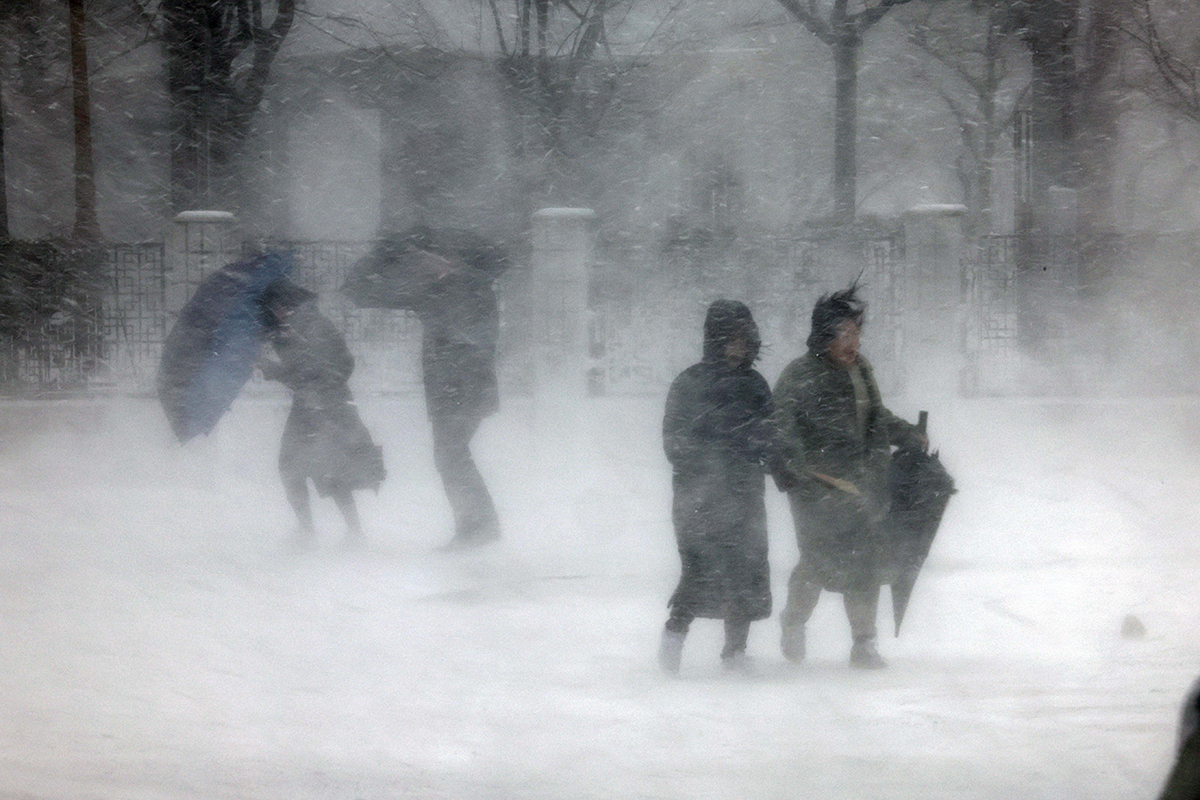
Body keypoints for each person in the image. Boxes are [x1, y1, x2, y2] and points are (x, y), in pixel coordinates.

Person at [772, 285, 925, 669]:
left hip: (863, 484)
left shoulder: (861, 369)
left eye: (857, 333)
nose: (854, 342)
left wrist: (907, 433)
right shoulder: (799, 376)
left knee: (865, 562)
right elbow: (781, 432)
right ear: (824, 336)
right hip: (817, 489)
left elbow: (875, 418)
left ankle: (864, 644)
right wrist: (801, 474)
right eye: (846, 334)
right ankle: (793, 621)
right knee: (817, 563)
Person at [345, 226, 505, 550]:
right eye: (417, 260)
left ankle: (478, 528)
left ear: (444, 259)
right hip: (450, 389)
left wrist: (456, 359)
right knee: (451, 455)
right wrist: (383, 253)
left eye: (425, 258)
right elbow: (361, 292)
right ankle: (479, 526)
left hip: (463, 388)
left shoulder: (470, 288)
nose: (419, 265)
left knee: (451, 454)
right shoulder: (437, 289)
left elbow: (475, 340)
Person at [657, 300, 783, 675]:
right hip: (700, 500)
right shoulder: (689, 383)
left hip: (745, 497)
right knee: (700, 570)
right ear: (714, 339)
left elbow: (772, 433)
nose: (739, 346)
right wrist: (713, 456)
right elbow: (673, 441)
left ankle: (736, 651)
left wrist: (776, 459)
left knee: (745, 571)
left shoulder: (755, 385)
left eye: (745, 339)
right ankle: (674, 635)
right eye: (730, 338)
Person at [259, 280, 386, 550]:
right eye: (273, 308)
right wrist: (269, 366)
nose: (276, 312)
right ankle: (307, 531)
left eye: (279, 306)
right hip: (306, 408)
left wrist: (320, 388)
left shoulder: (317, 327)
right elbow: (298, 374)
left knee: (332, 470)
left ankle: (354, 532)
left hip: (331, 408)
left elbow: (343, 364)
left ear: (290, 305)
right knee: (290, 468)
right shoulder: (285, 332)